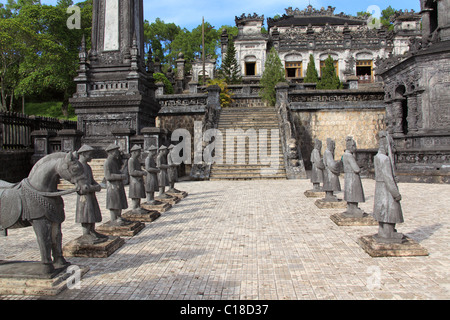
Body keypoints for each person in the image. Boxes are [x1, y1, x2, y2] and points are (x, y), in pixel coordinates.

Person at [372, 131, 404, 243]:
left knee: (382, 210)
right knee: (389, 210)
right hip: (386, 188)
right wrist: (396, 194)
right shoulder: (384, 159)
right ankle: (389, 233)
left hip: (380, 187)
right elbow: (388, 178)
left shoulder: (377, 157)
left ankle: (383, 230)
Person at [75, 144, 108, 244]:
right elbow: (81, 185)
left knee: (92, 212)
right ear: (84, 154)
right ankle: (86, 233)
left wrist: (96, 185)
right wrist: (94, 187)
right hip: (84, 196)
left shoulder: (87, 167)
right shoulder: (78, 167)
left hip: (91, 193)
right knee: (86, 214)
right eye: (90, 154)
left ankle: (92, 231)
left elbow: (91, 180)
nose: (91, 157)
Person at [104, 143, 129, 226]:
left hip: (118, 184)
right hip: (112, 186)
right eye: (116, 151)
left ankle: (119, 216)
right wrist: (121, 176)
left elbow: (116, 171)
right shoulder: (108, 162)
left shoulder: (114, 161)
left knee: (119, 202)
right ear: (111, 152)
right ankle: (113, 219)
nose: (118, 153)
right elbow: (108, 176)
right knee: (114, 203)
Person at [342, 137, 365, 217]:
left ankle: (350, 207)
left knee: (349, 192)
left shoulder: (345, 154)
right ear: (350, 147)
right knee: (354, 192)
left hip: (348, 176)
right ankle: (354, 208)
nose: (355, 148)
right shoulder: (349, 156)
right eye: (354, 146)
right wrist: (360, 168)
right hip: (353, 176)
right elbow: (356, 168)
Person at [128, 145, 147, 213]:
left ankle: (138, 206)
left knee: (138, 194)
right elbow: (131, 172)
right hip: (134, 181)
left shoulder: (136, 160)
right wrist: (141, 172)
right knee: (135, 195)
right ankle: (135, 207)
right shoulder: (131, 160)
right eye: (139, 152)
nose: (139, 153)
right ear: (135, 152)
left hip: (138, 180)